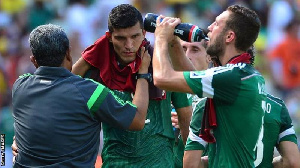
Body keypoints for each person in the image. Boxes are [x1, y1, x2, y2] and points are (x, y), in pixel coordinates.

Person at [11, 24, 150, 167]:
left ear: (33, 60)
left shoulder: (19, 86)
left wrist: (17, 140)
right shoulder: (90, 92)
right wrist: (143, 73)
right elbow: (138, 120)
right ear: (68, 53)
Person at [71, 4, 192, 167]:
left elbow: (185, 114)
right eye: (121, 38)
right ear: (109, 37)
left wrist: (188, 161)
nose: (129, 45)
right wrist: (89, 57)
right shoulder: (97, 72)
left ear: (144, 34)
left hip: (161, 163)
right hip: (116, 163)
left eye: (135, 36)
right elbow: (67, 86)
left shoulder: (164, 67)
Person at [153, 4, 266, 167]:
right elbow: (193, 76)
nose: (210, 28)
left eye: (217, 24)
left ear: (229, 37)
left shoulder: (232, 77)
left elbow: (162, 78)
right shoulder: (246, 74)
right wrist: (173, 43)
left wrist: (160, 38)